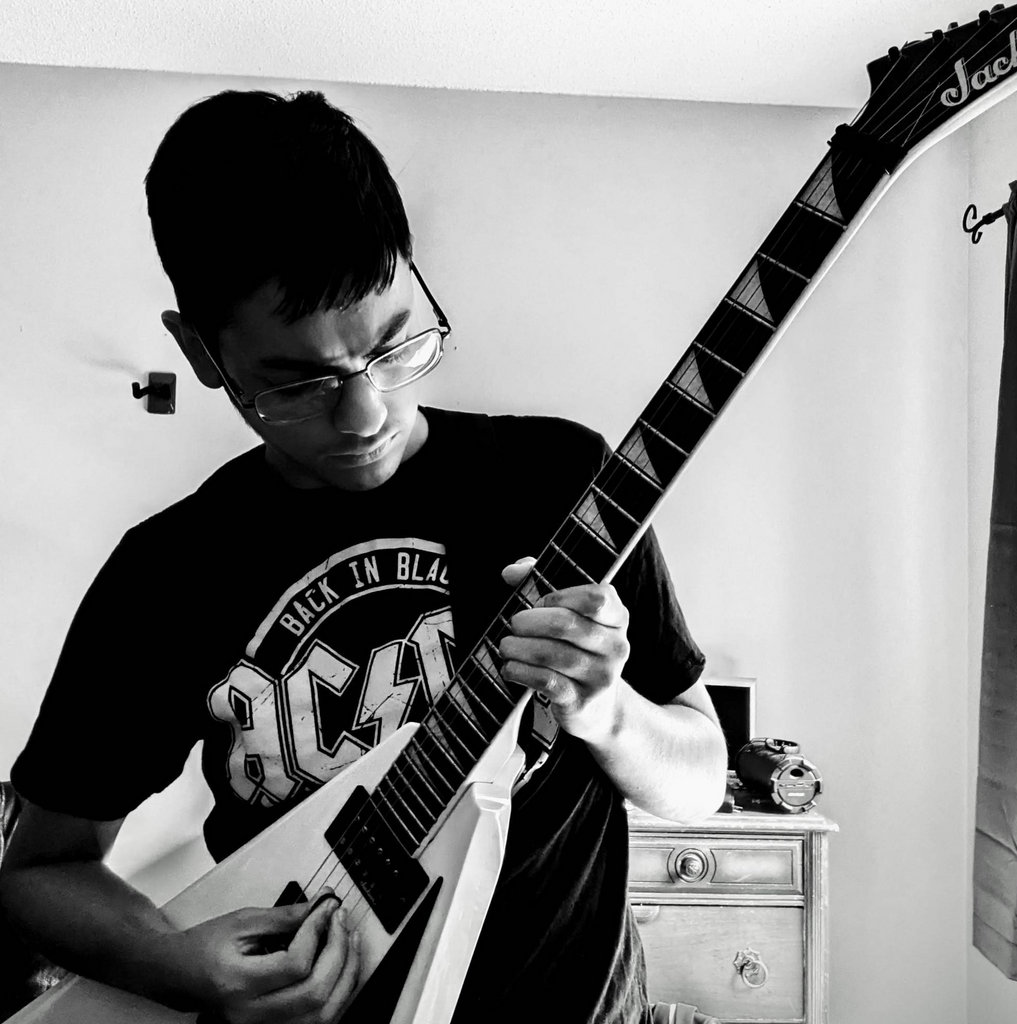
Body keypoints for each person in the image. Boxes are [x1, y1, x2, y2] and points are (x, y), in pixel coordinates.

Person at [0, 89, 727, 1024]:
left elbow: (697, 780)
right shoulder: (167, 572)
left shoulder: (560, 483)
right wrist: (179, 966)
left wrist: (609, 711)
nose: (365, 413)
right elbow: (40, 872)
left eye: (393, 346)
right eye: (299, 382)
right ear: (202, 352)